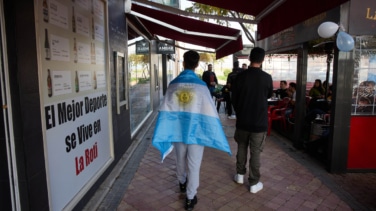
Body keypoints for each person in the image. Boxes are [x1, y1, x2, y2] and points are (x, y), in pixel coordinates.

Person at [152, 50, 231, 211]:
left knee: (180, 159)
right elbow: (210, 111)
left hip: (178, 132)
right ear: (196, 65)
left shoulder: (174, 84)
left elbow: (166, 110)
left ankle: (182, 182)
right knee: (194, 165)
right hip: (196, 133)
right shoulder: (201, 87)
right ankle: (190, 198)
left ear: (183, 63)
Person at [231, 47, 273, 194]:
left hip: (242, 121)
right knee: (255, 152)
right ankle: (254, 183)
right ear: (262, 60)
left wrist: (240, 112)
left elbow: (234, 99)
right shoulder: (267, 78)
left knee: (241, 147)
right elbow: (269, 94)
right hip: (259, 122)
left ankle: (240, 175)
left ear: (249, 58)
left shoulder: (240, 77)